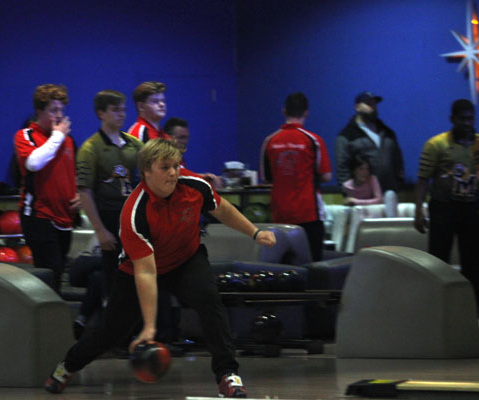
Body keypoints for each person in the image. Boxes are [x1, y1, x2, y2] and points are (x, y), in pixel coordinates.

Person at [45, 139, 277, 398]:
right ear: (146, 171)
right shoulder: (134, 212)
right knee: (111, 333)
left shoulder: (194, 186)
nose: (173, 173)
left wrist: (255, 233)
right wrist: (149, 327)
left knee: (209, 300)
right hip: (138, 270)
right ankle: (66, 368)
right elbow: (146, 271)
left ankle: (228, 375)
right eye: (165, 167)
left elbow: (222, 209)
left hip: (186, 259)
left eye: (176, 165)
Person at [74, 89, 142, 335]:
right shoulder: (90, 148)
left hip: (133, 219)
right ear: (101, 113)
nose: (121, 114)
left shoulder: (135, 145)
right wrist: (100, 230)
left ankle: (138, 331)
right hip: (109, 217)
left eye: (123, 109)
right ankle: (114, 334)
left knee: (138, 277)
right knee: (114, 281)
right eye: (115, 110)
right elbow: (85, 192)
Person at [14, 84, 81, 292]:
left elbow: (72, 174)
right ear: (40, 111)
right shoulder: (26, 135)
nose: (59, 115)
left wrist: (78, 194)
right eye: (53, 110)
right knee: (50, 271)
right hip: (38, 214)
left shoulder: (68, 141)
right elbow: (33, 163)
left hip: (65, 216)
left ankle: (53, 319)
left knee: (59, 274)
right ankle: (44, 321)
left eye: (61, 110)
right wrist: (58, 136)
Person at [414, 99, 479, 308]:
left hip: (472, 208)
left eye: (470, 119)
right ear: (452, 119)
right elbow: (423, 179)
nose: (467, 123)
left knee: (474, 261)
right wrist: (418, 210)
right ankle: (435, 305)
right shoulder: (436, 144)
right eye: (462, 119)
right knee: (439, 258)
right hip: (444, 208)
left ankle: (471, 308)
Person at [260, 92, 332, 261]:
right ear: (306, 112)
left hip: (280, 215)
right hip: (309, 213)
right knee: (313, 265)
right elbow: (326, 175)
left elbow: (267, 178)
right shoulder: (313, 140)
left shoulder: (270, 141)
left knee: (283, 265)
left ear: (284, 111)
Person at [335, 91, 404, 196]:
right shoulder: (346, 136)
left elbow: (398, 161)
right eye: (368, 104)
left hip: (389, 193)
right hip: (363, 198)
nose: (373, 107)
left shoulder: (388, 133)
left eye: (374, 104)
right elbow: (342, 170)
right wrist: (349, 194)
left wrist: (398, 185)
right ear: (357, 107)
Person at [163, 116, 223, 189]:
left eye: (186, 137)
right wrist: (201, 177)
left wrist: (204, 177)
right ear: (168, 137)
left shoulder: (179, 158)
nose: (185, 142)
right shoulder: (163, 159)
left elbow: (181, 176)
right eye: (181, 137)